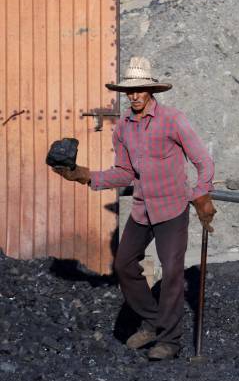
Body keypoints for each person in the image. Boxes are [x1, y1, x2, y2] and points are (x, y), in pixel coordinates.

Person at [53, 56, 216, 360]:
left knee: (172, 273)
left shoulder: (173, 119)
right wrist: (85, 175)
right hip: (142, 208)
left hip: (172, 208)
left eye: (140, 89)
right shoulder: (123, 128)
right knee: (124, 265)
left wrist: (201, 194)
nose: (135, 95)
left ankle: (170, 340)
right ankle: (153, 320)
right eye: (130, 91)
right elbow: (124, 173)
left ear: (151, 90)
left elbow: (203, 161)